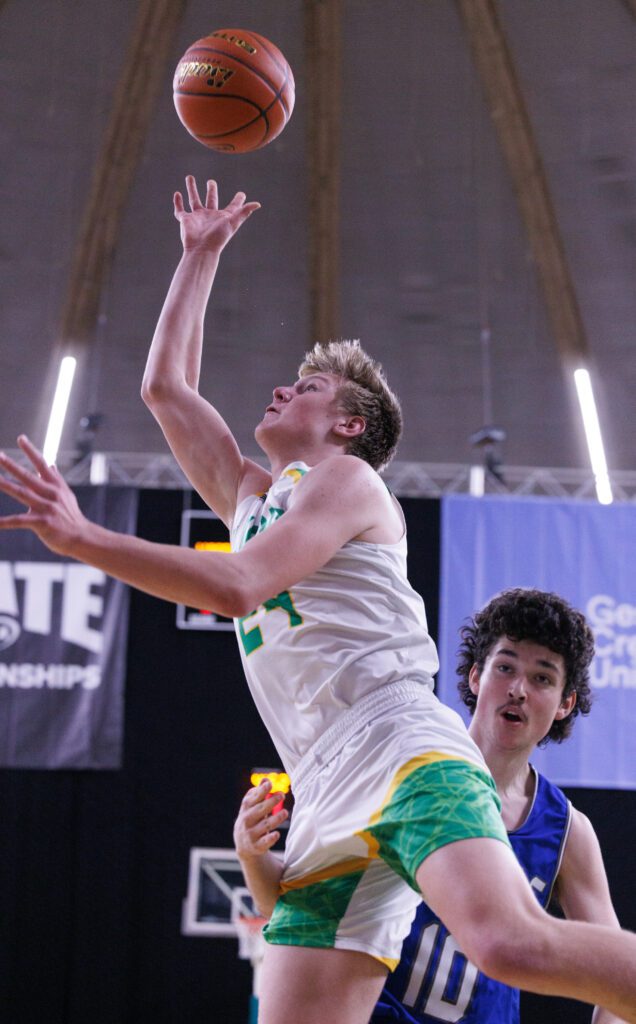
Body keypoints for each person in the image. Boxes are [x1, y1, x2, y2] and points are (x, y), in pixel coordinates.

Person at [0, 177, 635, 1024]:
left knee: (510, 944)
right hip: (324, 780)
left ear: (348, 426)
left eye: (305, 389)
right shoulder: (256, 496)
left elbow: (236, 586)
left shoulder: (346, 482)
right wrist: (199, 255)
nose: (279, 389)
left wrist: (85, 538)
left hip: (400, 743)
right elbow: (167, 391)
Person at [234, 588, 624, 1024]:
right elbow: (302, 918)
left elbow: (610, 978)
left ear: (564, 704)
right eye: (505, 667)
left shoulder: (567, 829)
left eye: (542, 678)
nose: (517, 689)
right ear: (476, 677)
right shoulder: (400, 765)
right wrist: (252, 856)